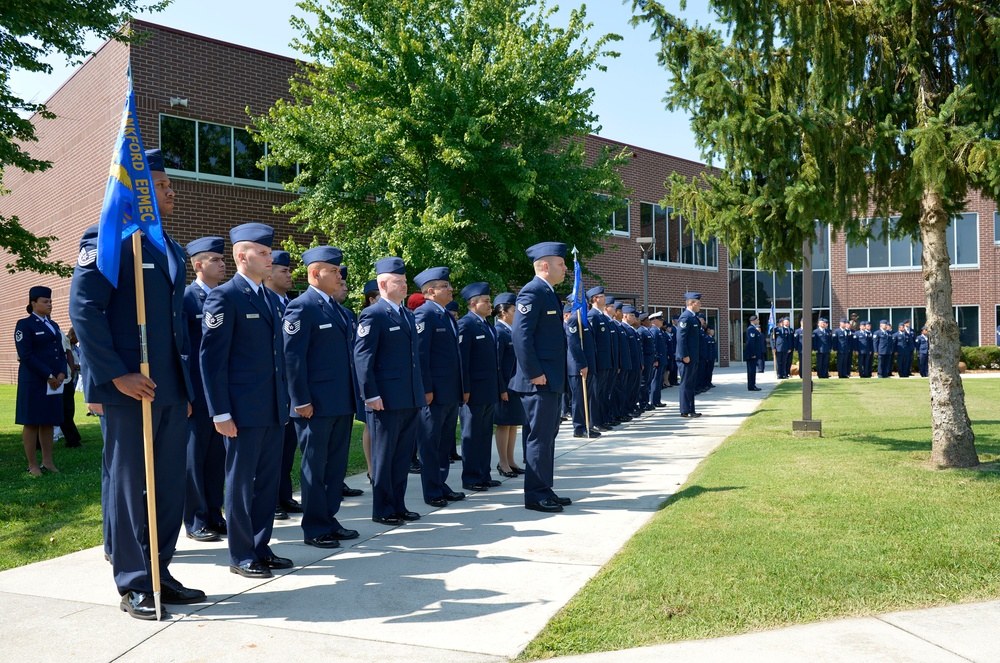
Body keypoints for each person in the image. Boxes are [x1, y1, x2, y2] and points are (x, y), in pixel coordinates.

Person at [70, 149, 204, 619]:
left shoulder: (169, 245)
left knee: (169, 485)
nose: (172, 192)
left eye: (169, 185)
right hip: (130, 386)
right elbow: (85, 309)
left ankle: (159, 571)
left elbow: (175, 323)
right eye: (163, 185)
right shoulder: (108, 237)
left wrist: (185, 388)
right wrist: (114, 374)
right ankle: (133, 583)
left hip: (168, 386)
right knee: (132, 486)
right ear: (138, 190)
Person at [200, 222, 294, 580]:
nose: (271, 258)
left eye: (271, 253)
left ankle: (261, 545)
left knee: (268, 483)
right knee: (241, 484)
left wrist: (282, 403)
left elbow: (276, 359)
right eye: (264, 253)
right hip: (240, 411)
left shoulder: (269, 298)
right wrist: (220, 411)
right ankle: (241, 554)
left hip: (271, 408)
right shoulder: (224, 296)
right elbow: (212, 360)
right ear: (242, 256)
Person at [283, 246, 360, 549]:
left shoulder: (338, 309)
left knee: (335, 467)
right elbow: (293, 358)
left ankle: (329, 518)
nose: (340, 275)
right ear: (315, 274)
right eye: (334, 271)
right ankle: (315, 527)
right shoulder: (302, 307)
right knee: (315, 468)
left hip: (340, 401)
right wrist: (300, 400)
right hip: (314, 404)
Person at [354, 257, 425, 526]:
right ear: (383, 284)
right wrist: (370, 395)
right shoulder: (373, 314)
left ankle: (398, 504)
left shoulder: (406, 314)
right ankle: (382, 508)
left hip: (408, 396)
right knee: (383, 457)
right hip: (385, 399)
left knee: (402, 455)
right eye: (399, 281)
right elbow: (363, 358)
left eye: (405, 281)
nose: (404, 285)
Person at [510, 242, 571, 513]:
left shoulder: (548, 293)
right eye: (561, 263)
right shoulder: (532, 292)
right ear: (545, 266)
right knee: (538, 438)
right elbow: (520, 336)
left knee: (547, 437)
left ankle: (545, 488)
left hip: (550, 379)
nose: (565, 268)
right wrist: (534, 373)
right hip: (539, 381)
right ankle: (535, 495)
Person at [182, 236, 227, 543]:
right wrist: (185, 392)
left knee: (216, 457)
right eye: (215, 260)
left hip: (221, 391)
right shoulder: (186, 299)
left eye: (223, 259)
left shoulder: (225, 297)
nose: (223, 264)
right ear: (198, 265)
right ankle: (196, 520)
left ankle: (214, 513)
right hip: (197, 393)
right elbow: (182, 350)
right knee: (194, 457)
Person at [412, 267, 467, 506]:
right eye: (445, 286)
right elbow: (421, 356)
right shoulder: (424, 314)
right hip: (434, 392)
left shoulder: (444, 315)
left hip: (449, 391)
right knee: (430, 443)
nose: (451, 289)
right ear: (431, 291)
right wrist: (426, 389)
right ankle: (432, 491)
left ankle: (441, 484)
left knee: (444, 443)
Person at [267, 250, 302, 521]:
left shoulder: (290, 303)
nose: (289, 275)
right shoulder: (265, 301)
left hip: (290, 388)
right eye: (284, 271)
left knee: (287, 448)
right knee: (271, 453)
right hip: (270, 387)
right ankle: (272, 502)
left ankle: (284, 495)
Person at [15, 285, 66, 475]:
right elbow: (26, 355)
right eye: (45, 301)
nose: (49, 304)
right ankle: (33, 465)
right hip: (34, 381)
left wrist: (61, 374)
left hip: (53, 382)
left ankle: (48, 462)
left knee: (48, 421)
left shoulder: (53, 325)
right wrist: (49, 375)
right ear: (33, 303)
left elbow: (60, 352)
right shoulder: (24, 325)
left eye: (50, 301)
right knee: (31, 422)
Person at [458, 282, 504, 489]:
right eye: (486, 301)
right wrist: (465, 389)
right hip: (474, 391)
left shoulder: (487, 325)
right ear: (473, 304)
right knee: (471, 435)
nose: (490, 304)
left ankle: (484, 474)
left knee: (485, 434)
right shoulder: (466, 325)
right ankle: (471, 477)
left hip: (488, 389)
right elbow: (463, 361)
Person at [333, 265, 364, 499]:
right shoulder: (302, 308)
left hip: (344, 395)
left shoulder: (345, 314)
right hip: (319, 400)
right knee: (318, 460)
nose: (344, 287)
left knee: (338, 453)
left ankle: (336, 489)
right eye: (340, 282)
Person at [493, 293, 524, 476]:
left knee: (513, 424)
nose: (517, 313)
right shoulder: (499, 332)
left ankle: (511, 460)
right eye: (513, 310)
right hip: (505, 386)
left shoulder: (512, 330)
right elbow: (497, 364)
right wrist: (501, 388)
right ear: (503, 312)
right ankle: (503, 463)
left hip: (515, 385)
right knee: (504, 425)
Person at [565, 302, 598, 439]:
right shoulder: (574, 320)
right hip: (578, 367)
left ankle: (586, 426)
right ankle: (579, 428)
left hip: (587, 365)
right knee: (579, 399)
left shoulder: (584, 321)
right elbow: (574, 345)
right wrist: (581, 365)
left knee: (587, 398)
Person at [586, 286, 615, 427]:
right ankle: (595, 422)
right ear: (595, 299)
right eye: (602, 296)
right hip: (598, 361)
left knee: (603, 392)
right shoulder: (593, 316)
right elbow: (592, 342)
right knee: (596, 393)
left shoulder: (602, 316)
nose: (605, 298)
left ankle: (602, 419)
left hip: (606, 360)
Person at [675, 292, 702, 418]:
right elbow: (681, 338)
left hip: (693, 356)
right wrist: (684, 354)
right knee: (686, 383)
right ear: (691, 303)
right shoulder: (685, 317)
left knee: (691, 384)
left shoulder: (693, 317)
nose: (700, 305)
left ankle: (690, 409)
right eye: (698, 302)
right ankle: (685, 410)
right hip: (687, 357)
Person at [60, 327, 83, 448]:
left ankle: (72, 439)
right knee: (65, 410)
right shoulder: (62, 339)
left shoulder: (77, 348)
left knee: (68, 410)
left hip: (69, 379)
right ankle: (72, 439)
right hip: (60, 378)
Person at [648, 312, 667, 407]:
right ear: (654, 320)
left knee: (659, 380)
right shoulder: (654, 331)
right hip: (658, 360)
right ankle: (654, 401)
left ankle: (657, 400)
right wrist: (655, 359)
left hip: (661, 359)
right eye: (660, 320)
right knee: (656, 380)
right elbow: (653, 346)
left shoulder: (659, 331)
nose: (662, 321)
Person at [744, 314, 764, 391]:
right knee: (751, 370)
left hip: (753, 353)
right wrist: (753, 354)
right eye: (757, 320)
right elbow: (751, 342)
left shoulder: (753, 329)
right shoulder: (751, 329)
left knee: (752, 370)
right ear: (753, 320)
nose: (758, 321)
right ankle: (751, 386)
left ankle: (752, 385)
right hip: (751, 354)